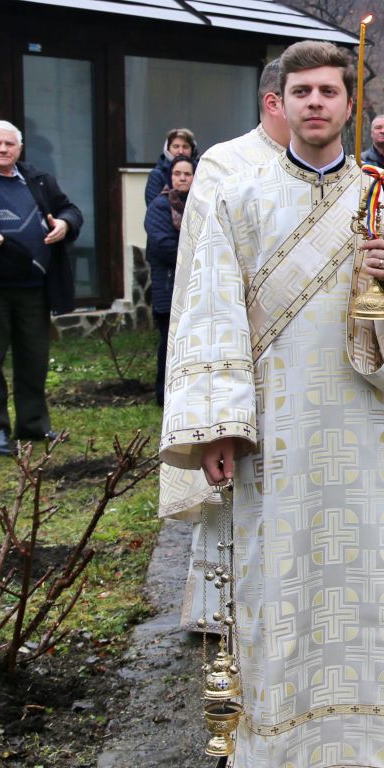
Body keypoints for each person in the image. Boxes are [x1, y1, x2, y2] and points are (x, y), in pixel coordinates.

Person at [160, 40, 384, 768]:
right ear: (281, 102)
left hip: (366, 427)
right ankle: (276, 752)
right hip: (276, 432)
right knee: (277, 581)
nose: (318, 103)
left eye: (331, 90)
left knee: (369, 575)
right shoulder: (241, 194)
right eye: (304, 92)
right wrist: (220, 428)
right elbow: (210, 315)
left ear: (349, 103)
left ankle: (377, 738)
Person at [157, 61, 289, 632]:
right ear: (272, 100)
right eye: (298, 93)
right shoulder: (224, 162)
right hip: (240, 341)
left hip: (299, 354)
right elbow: (207, 267)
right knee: (231, 477)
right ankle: (223, 607)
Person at [0, 120, 84, 457]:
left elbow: (70, 209)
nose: (3, 149)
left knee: (34, 359)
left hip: (35, 287)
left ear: (20, 149)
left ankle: (34, 424)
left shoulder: (37, 178)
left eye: (9, 144)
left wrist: (65, 224)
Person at [145, 156, 196, 406]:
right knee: (170, 343)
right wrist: (200, 254)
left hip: (196, 286)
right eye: (177, 173)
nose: (183, 178)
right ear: (170, 177)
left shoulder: (201, 204)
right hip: (169, 286)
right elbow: (163, 246)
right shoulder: (160, 206)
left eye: (187, 174)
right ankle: (165, 396)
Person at [144, 127, 198, 204]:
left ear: (193, 150)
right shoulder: (157, 175)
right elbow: (153, 206)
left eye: (185, 147)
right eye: (176, 146)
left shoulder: (200, 172)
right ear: (167, 149)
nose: (181, 151)